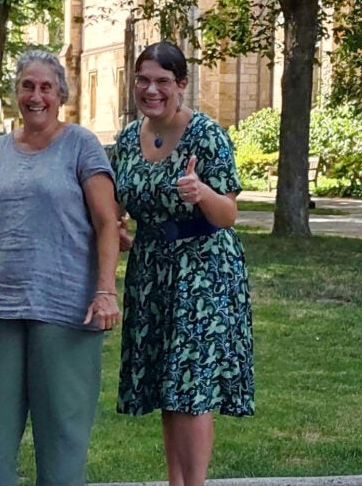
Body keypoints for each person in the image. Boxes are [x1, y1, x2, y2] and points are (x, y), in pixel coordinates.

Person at [0, 49, 121, 486]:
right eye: (28, 86)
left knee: (62, 441)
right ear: (16, 93)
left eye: (46, 87)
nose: (36, 96)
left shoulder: (81, 145)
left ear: (61, 95)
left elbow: (107, 223)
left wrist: (106, 290)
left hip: (67, 309)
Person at [113, 41, 254, 486]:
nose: (150, 89)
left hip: (202, 273)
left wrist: (202, 193)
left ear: (181, 84)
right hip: (151, 272)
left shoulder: (206, 135)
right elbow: (119, 201)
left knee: (191, 389)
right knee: (168, 386)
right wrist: (117, 227)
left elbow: (227, 215)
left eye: (162, 81)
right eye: (143, 80)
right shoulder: (127, 139)